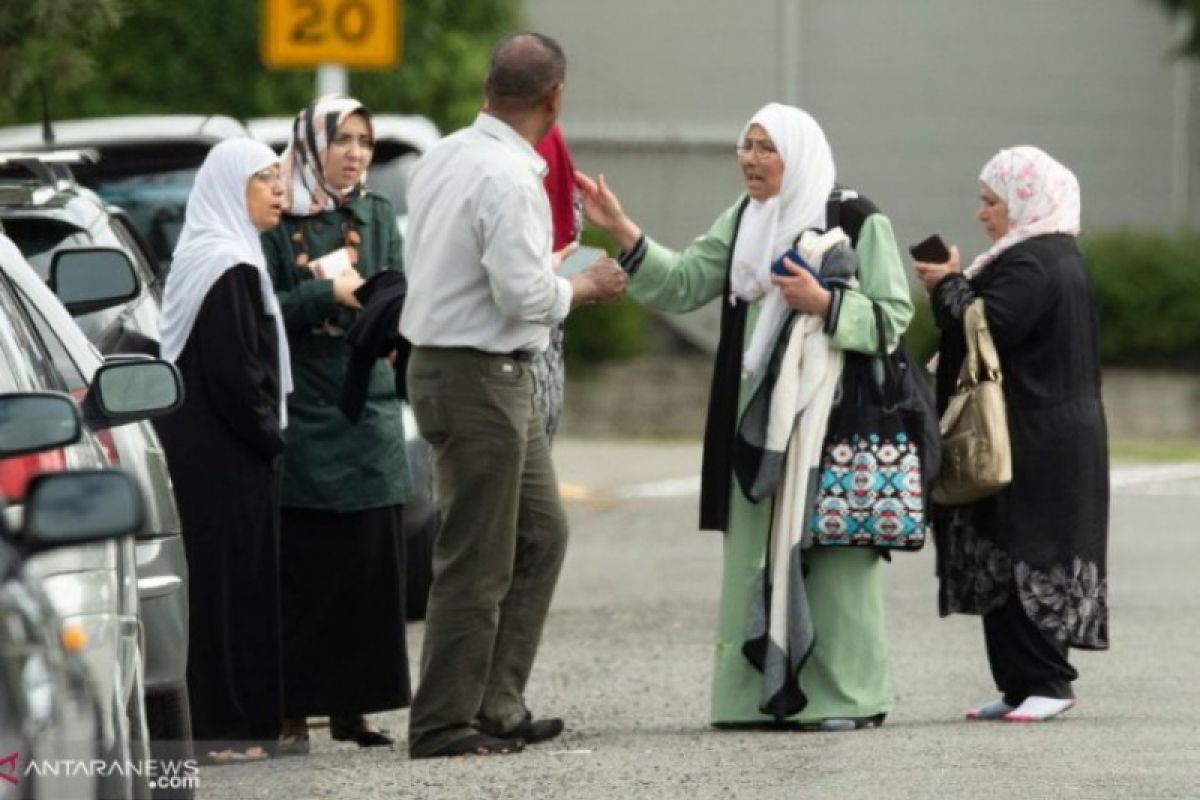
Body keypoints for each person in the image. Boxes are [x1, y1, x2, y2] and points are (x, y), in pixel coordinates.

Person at [575, 103, 913, 729]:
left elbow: (893, 316)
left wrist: (826, 302)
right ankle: (750, 697)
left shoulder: (857, 218)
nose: (750, 159)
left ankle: (848, 697)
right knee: (755, 550)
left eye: (766, 148)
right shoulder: (744, 219)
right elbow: (682, 282)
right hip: (754, 417)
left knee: (834, 554)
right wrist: (623, 230)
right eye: (745, 145)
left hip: (831, 420)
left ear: (799, 154)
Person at [400, 32, 628, 759]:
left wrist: (543, 272)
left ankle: (495, 701)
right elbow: (523, 293)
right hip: (479, 377)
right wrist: (583, 284)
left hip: (461, 366)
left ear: (488, 86)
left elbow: (465, 264)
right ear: (554, 98)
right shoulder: (507, 176)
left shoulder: (446, 154)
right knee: (477, 555)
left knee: (540, 534)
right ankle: (443, 722)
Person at [914, 146, 1109, 723]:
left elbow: (985, 323)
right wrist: (950, 286)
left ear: (1025, 201)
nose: (982, 213)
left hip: (1042, 436)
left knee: (1035, 549)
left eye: (992, 201)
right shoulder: (1030, 256)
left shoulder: (1040, 260)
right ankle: (1021, 684)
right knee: (999, 548)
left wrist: (949, 284)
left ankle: (1049, 681)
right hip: (1027, 427)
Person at [260, 97, 412, 754]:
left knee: (369, 564)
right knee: (306, 565)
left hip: (369, 397)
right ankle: (294, 709)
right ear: (311, 143)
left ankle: (355, 706)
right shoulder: (277, 217)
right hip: (306, 399)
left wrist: (390, 314)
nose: (353, 152)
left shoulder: (375, 212)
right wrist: (328, 294)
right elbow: (266, 306)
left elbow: (398, 284)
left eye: (364, 141)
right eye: (341, 139)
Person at [156, 138, 292, 762]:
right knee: (227, 591)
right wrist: (272, 436)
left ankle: (242, 726)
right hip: (224, 455)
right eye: (263, 178)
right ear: (230, 188)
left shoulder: (221, 253)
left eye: (277, 176)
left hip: (216, 451)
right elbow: (236, 375)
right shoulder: (226, 265)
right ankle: (226, 731)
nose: (278, 189)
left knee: (232, 588)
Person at [529, 122, 582, 444]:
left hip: (536, 351)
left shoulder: (460, 154)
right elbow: (523, 287)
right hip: (518, 359)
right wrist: (584, 285)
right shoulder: (514, 172)